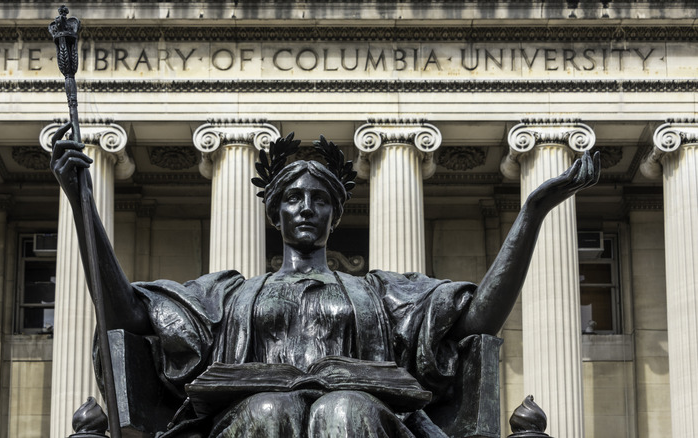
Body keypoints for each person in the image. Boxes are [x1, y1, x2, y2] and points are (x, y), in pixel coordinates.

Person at [51, 131, 600, 438]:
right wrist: (81, 204)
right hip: (251, 419)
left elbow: (478, 320)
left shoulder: (381, 294)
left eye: (320, 199)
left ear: (336, 216)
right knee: (270, 411)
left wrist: (532, 213)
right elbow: (124, 315)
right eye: (294, 198)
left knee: (345, 411)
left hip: (363, 420)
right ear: (275, 213)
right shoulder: (229, 295)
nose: (307, 208)